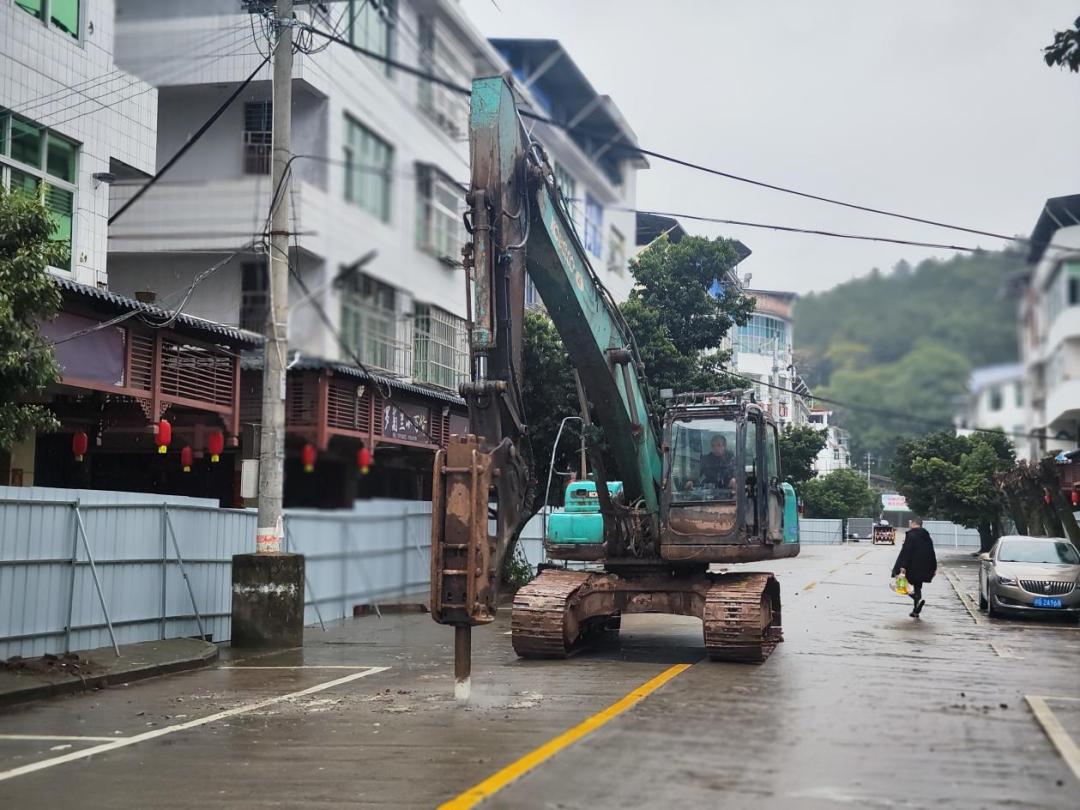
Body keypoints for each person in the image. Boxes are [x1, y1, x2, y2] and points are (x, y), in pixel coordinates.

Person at [891, 518, 937, 618]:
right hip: (924, 567)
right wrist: (934, 567)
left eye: (911, 523)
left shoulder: (911, 535)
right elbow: (932, 552)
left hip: (911, 566)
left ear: (914, 523)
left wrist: (903, 566)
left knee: (902, 586)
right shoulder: (927, 536)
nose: (909, 524)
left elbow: (907, 551)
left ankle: (917, 599)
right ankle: (915, 611)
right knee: (917, 587)